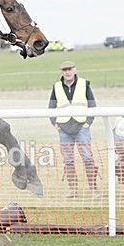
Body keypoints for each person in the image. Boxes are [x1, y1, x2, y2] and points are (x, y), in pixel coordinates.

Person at [49, 61, 99, 198]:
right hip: (64, 129)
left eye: (69, 69)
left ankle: (93, 190)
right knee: (68, 161)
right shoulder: (57, 87)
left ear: (75, 70)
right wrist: (55, 124)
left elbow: (92, 104)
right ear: (62, 72)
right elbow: (51, 107)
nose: (67, 72)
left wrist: (88, 122)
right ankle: (73, 191)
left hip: (82, 127)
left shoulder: (84, 84)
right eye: (64, 70)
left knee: (88, 159)